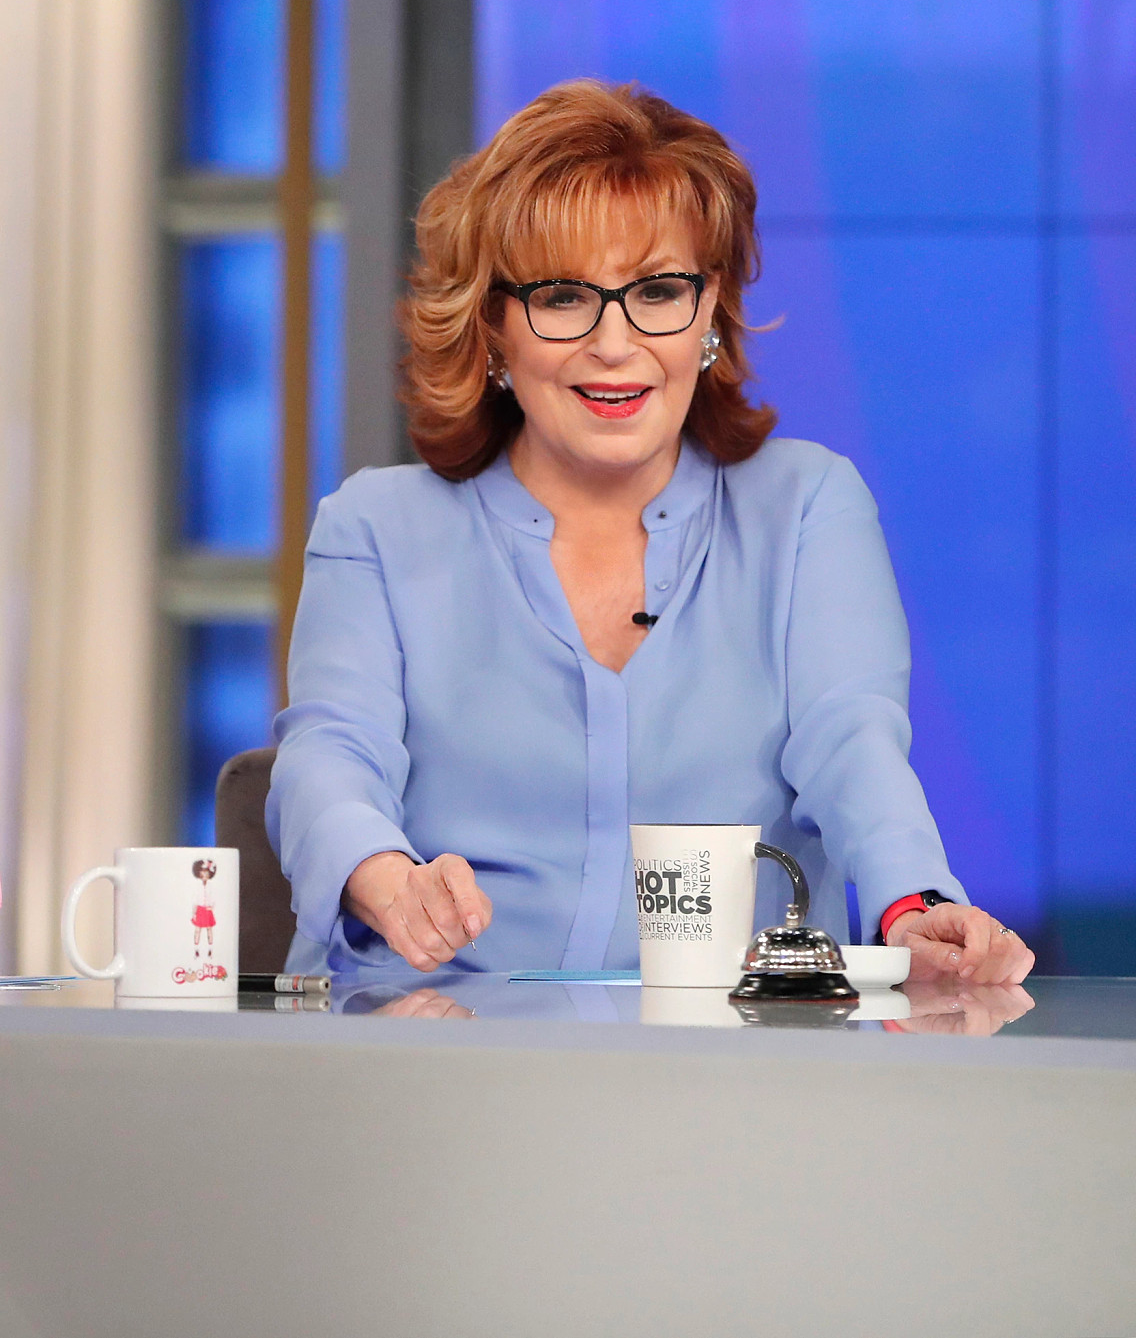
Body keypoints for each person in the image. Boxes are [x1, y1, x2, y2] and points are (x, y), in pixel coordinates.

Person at [268, 81, 1034, 989]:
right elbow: (330, 754)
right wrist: (383, 878)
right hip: (434, 1045)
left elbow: (852, 743)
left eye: (659, 290)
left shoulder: (808, 506)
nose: (616, 343)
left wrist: (914, 905)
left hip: (730, 1070)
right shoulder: (375, 527)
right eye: (562, 297)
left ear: (710, 312)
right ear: (492, 327)